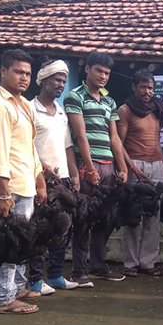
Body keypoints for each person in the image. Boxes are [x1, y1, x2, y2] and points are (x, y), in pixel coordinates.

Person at [0, 48, 46, 315]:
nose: (24, 78)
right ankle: (4, 299)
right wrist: (3, 194)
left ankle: (17, 288)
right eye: (18, 72)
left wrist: (40, 180)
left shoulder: (24, 105)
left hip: (26, 185)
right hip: (11, 188)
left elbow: (30, 148)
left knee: (22, 244)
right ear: (3, 72)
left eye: (28, 74)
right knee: (8, 246)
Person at [64, 51, 129, 285]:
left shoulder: (109, 101)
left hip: (108, 167)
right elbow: (80, 135)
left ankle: (98, 266)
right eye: (99, 71)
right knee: (83, 219)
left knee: (105, 219)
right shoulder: (75, 96)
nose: (103, 76)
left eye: (107, 73)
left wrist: (123, 167)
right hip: (87, 166)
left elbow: (114, 137)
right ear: (87, 69)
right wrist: (90, 169)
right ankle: (78, 271)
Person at [27, 59, 84, 294]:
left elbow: (68, 146)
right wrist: (42, 168)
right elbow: (26, 145)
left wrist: (74, 175)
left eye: (63, 81)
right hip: (40, 179)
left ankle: (56, 275)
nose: (61, 84)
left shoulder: (61, 111)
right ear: (43, 80)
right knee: (40, 230)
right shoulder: (30, 109)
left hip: (63, 180)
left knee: (63, 229)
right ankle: (35, 279)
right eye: (56, 80)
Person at [117, 69, 163, 277]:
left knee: (153, 215)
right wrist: (132, 168)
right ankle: (130, 264)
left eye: (150, 88)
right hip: (135, 166)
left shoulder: (157, 109)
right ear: (134, 87)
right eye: (143, 87)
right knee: (134, 216)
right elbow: (119, 144)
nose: (147, 91)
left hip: (156, 165)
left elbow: (157, 142)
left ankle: (148, 263)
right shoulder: (125, 110)